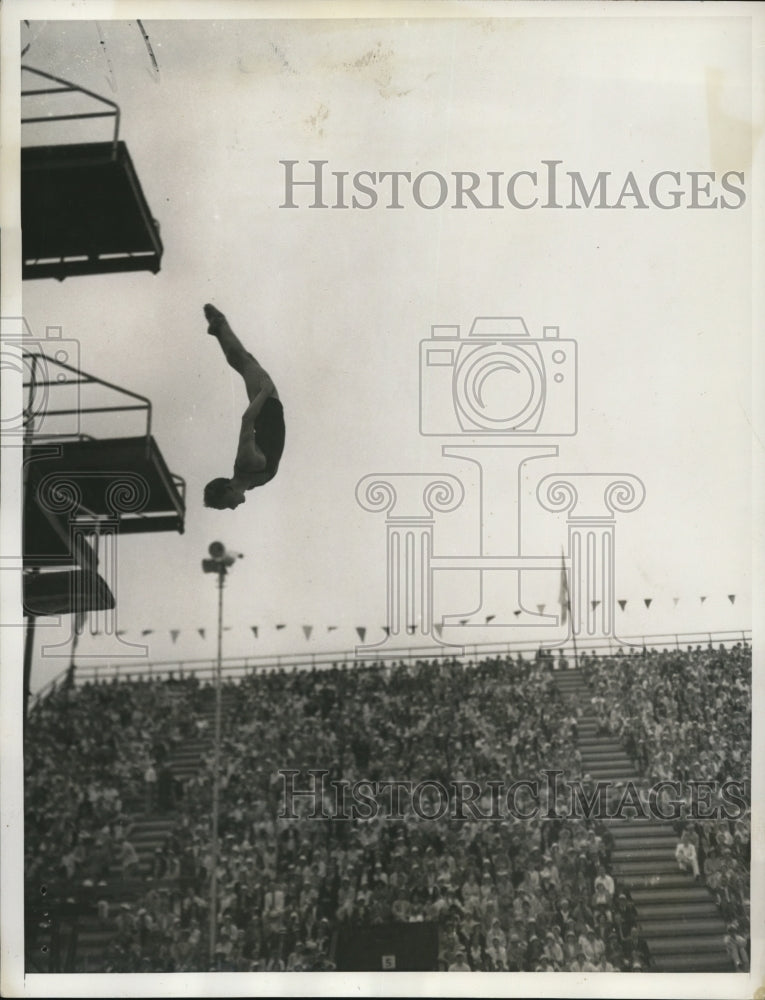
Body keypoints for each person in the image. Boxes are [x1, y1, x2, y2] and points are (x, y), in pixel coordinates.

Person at [202, 303, 285, 509]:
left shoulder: (246, 462)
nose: (231, 507)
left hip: (267, 402)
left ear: (228, 489)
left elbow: (247, 420)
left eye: (226, 504)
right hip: (268, 407)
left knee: (244, 360)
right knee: (244, 360)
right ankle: (218, 329)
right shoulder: (250, 483)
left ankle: (219, 324)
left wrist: (265, 392)